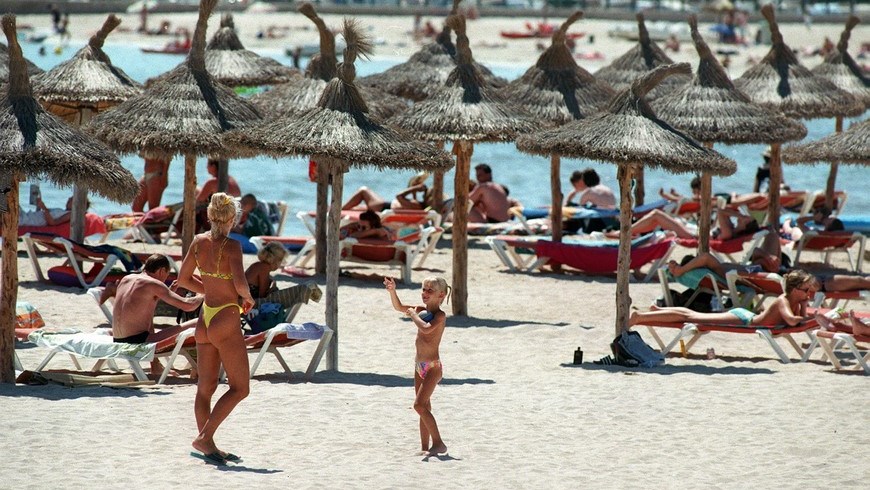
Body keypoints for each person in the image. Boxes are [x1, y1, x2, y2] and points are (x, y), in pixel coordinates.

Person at [178, 192, 255, 465]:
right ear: (232, 218)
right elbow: (241, 282)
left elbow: (183, 279)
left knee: (205, 386)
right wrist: (246, 298)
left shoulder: (198, 243)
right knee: (240, 388)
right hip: (225, 317)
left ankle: (208, 446)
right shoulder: (232, 246)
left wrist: (208, 288)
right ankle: (204, 436)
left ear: (210, 216)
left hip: (205, 317)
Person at [383, 275, 449, 456]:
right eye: (424, 289)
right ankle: (425, 448)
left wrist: (412, 315)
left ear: (441, 295)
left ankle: (439, 443)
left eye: (430, 290)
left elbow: (426, 328)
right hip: (419, 366)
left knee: (419, 405)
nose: (425, 293)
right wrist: (392, 291)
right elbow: (398, 307)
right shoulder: (420, 309)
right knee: (424, 407)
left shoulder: (440, 316)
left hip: (433, 367)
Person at [109, 254, 204, 374]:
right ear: (161, 270)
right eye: (167, 274)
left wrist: (169, 291)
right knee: (197, 322)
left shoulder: (126, 279)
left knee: (148, 319)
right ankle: (201, 366)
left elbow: (141, 304)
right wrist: (203, 293)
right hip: (138, 340)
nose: (165, 279)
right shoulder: (154, 284)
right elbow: (189, 306)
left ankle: (155, 365)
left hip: (118, 339)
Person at [630, 269, 817, 328]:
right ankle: (640, 317)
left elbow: (798, 320)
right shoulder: (783, 301)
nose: (808, 293)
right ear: (794, 289)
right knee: (691, 317)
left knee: (692, 314)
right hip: (742, 318)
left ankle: (659, 311)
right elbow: (793, 321)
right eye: (806, 289)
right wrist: (814, 318)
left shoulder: (795, 300)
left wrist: (804, 304)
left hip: (746, 316)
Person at [244, 241, 322, 309]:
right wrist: (272, 289)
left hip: (245, 299)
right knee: (286, 296)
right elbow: (262, 295)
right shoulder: (264, 268)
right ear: (275, 260)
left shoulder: (258, 265)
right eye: (281, 261)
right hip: (247, 303)